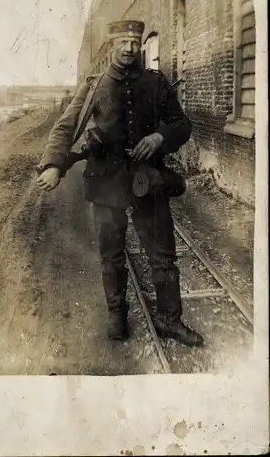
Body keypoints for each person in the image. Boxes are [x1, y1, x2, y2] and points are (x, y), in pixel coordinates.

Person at [36, 20, 204, 347]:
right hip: (105, 178)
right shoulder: (94, 86)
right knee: (111, 253)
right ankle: (117, 312)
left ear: (140, 44)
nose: (129, 47)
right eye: (123, 41)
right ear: (113, 44)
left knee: (162, 254)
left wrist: (160, 136)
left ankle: (169, 320)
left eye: (134, 41)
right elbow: (65, 128)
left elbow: (182, 126)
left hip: (147, 178)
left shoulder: (155, 84)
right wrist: (54, 165)